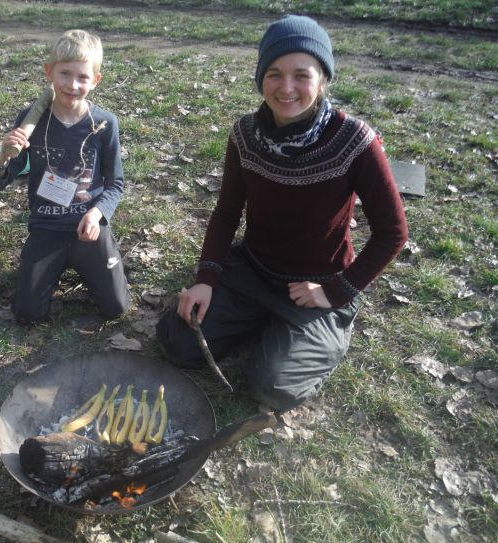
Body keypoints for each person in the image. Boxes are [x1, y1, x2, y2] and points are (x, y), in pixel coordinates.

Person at [156, 15, 408, 412]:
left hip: (319, 282)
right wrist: (206, 278)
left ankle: (316, 333)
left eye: (301, 75)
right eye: (274, 74)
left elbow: (392, 232)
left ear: (322, 80)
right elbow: (226, 212)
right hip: (253, 269)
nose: (286, 88)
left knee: (271, 386)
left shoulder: (356, 141)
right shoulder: (244, 135)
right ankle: (261, 319)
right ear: (261, 79)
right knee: (177, 341)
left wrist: (336, 291)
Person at [0, 29, 130, 324]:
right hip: (47, 226)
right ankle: (49, 263)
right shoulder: (31, 119)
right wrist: (2, 158)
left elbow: (116, 184)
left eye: (83, 77)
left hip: (87, 227)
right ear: (49, 72)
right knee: (27, 314)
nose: (73, 85)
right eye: (64, 74)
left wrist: (96, 214)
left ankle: (95, 257)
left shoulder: (104, 123)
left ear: (96, 80)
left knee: (116, 307)